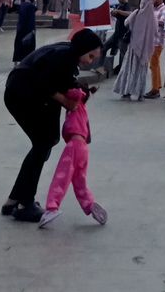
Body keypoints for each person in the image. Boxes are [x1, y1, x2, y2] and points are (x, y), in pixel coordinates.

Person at [2, 29, 103, 223]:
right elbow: (44, 83)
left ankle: (14, 200)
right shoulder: (65, 56)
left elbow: (62, 80)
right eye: (90, 56)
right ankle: (25, 204)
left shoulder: (68, 55)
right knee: (43, 144)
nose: (90, 61)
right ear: (82, 49)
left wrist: (82, 91)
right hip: (22, 95)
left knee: (44, 143)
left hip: (21, 93)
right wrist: (66, 101)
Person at [38, 85, 107, 228]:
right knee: (79, 181)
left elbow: (75, 93)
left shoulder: (77, 102)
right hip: (82, 148)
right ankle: (90, 205)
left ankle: (52, 207)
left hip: (74, 147)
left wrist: (62, 85)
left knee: (61, 177)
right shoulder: (82, 110)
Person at [113, 0, 158, 102]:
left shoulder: (137, 12)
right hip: (145, 49)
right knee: (141, 71)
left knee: (129, 69)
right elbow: (156, 31)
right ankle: (140, 94)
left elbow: (126, 22)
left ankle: (126, 92)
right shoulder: (153, 17)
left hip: (134, 47)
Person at [144, 0, 165, 100]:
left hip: (157, 41)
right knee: (154, 65)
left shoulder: (164, 9)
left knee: (154, 65)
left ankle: (155, 90)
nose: (154, 0)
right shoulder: (152, 8)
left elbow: (162, 22)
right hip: (151, 40)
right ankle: (156, 87)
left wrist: (150, 20)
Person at [104, 0, 131, 71]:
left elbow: (130, 13)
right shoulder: (120, 5)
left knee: (122, 54)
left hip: (123, 35)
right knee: (104, 46)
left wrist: (118, 11)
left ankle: (121, 70)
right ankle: (102, 64)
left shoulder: (127, 5)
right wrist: (114, 13)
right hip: (116, 33)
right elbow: (119, 16)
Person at [13, 0, 37, 64]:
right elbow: (31, 20)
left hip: (21, 28)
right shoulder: (30, 6)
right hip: (28, 29)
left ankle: (16, 61)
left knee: (19, 45)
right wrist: (33, 29)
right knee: (29, 46)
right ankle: (27, 61)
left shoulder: (22, 5)